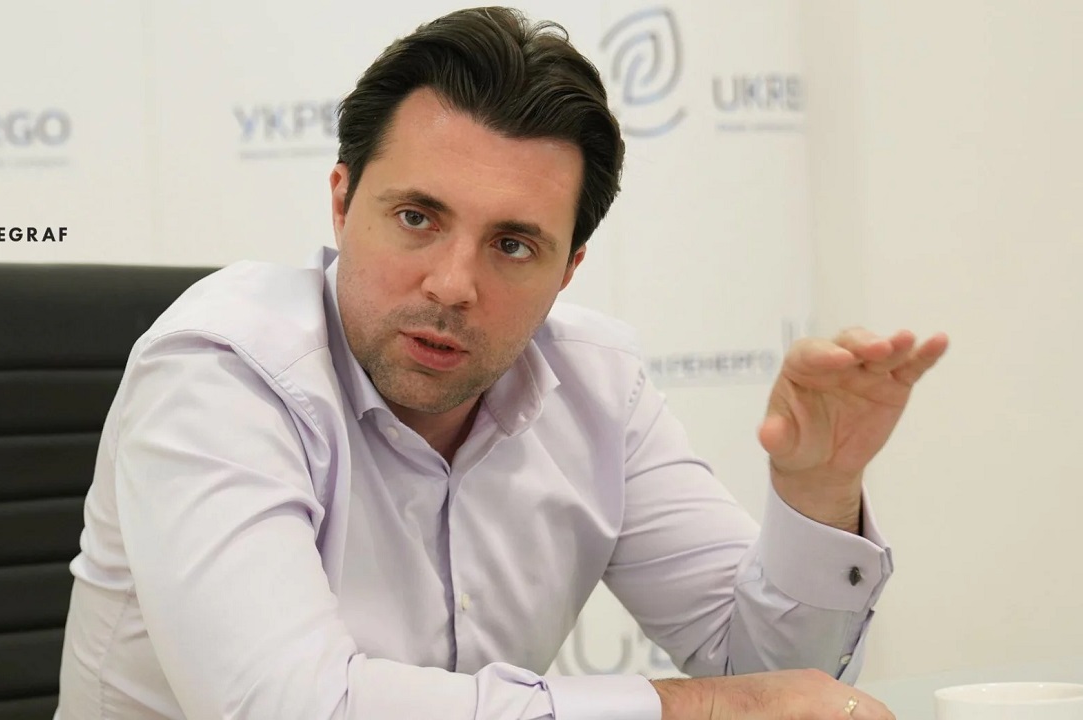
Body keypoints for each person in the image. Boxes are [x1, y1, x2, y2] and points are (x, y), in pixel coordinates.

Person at [56, 7, 946, 719]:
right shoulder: (219, 373)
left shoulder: (599, 388)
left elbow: (773, 685)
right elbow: (291, 707)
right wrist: (693, 708)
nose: (453, 284)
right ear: (342, 202)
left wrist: (818, 492)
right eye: (416, 218)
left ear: (569, 269)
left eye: (513, 245)